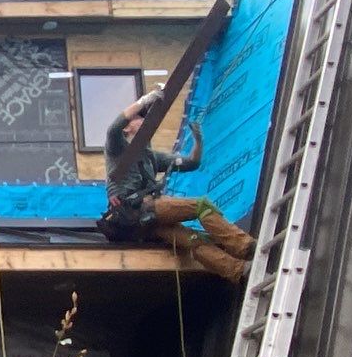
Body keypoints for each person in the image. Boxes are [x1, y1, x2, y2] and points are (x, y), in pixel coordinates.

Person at [97, 85, 255, 282]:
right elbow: (113, 129)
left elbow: (192, 163)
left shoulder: (151, 157)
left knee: (193, 241)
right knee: (200, 205)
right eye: (140, 118)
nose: (145, 121)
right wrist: (143, 102)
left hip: (147, 223)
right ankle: (244, 246)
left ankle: (237, 270)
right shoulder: (118, 148)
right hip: (139, 209)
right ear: (128, 127)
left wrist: (198, 141)